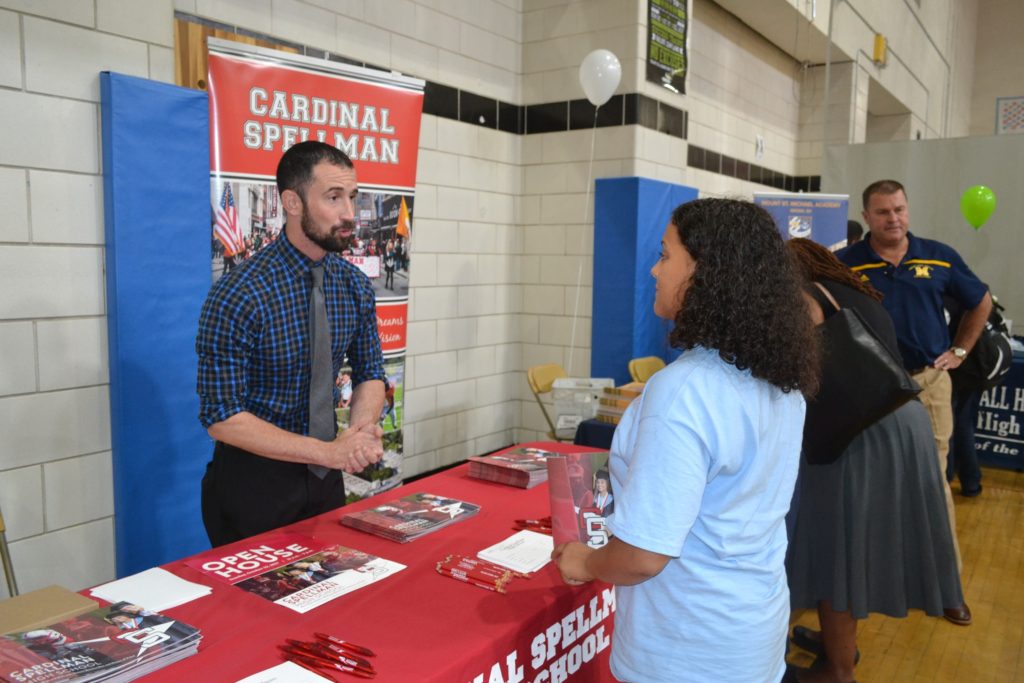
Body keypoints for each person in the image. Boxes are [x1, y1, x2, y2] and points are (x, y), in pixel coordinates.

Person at [552, 199, 819, 682]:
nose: (655, 270)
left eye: (665, 255)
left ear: (706, 271)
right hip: (750, 633)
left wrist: (586, 561)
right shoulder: (780, 377)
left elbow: (643, 555)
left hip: (685, 650)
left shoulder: (685, 391)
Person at [784, 239, 964, 683]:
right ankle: (837, 643)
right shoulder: (853, 288)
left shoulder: (805, 295)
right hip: (901, 422)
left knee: (837, 551)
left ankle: (838, 669)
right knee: (857, 544)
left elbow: (795, 360)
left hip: (858, 434)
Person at [197, 141, 386, 547]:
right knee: (254, 609)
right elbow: (221, 416)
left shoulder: (353, 286)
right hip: (254, 488)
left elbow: (370, 372)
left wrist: (361, 432)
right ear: (292, 202)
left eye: (351, 198)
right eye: (333, 198)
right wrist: (330, 453)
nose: (349, 214)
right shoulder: (240, 293)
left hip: (325, 482)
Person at [837, 179, 989, 625]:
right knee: (866, 484)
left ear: (908, 209)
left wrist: (960, 351)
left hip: (929, 383)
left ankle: (948, 588)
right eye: (883, 212)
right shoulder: (846, 264)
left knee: (934, 484)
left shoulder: (938, 256)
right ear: (867, 216)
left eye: (900, 209)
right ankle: (864, 581)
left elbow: (979, 301)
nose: (894, 219)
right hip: (869, 388)